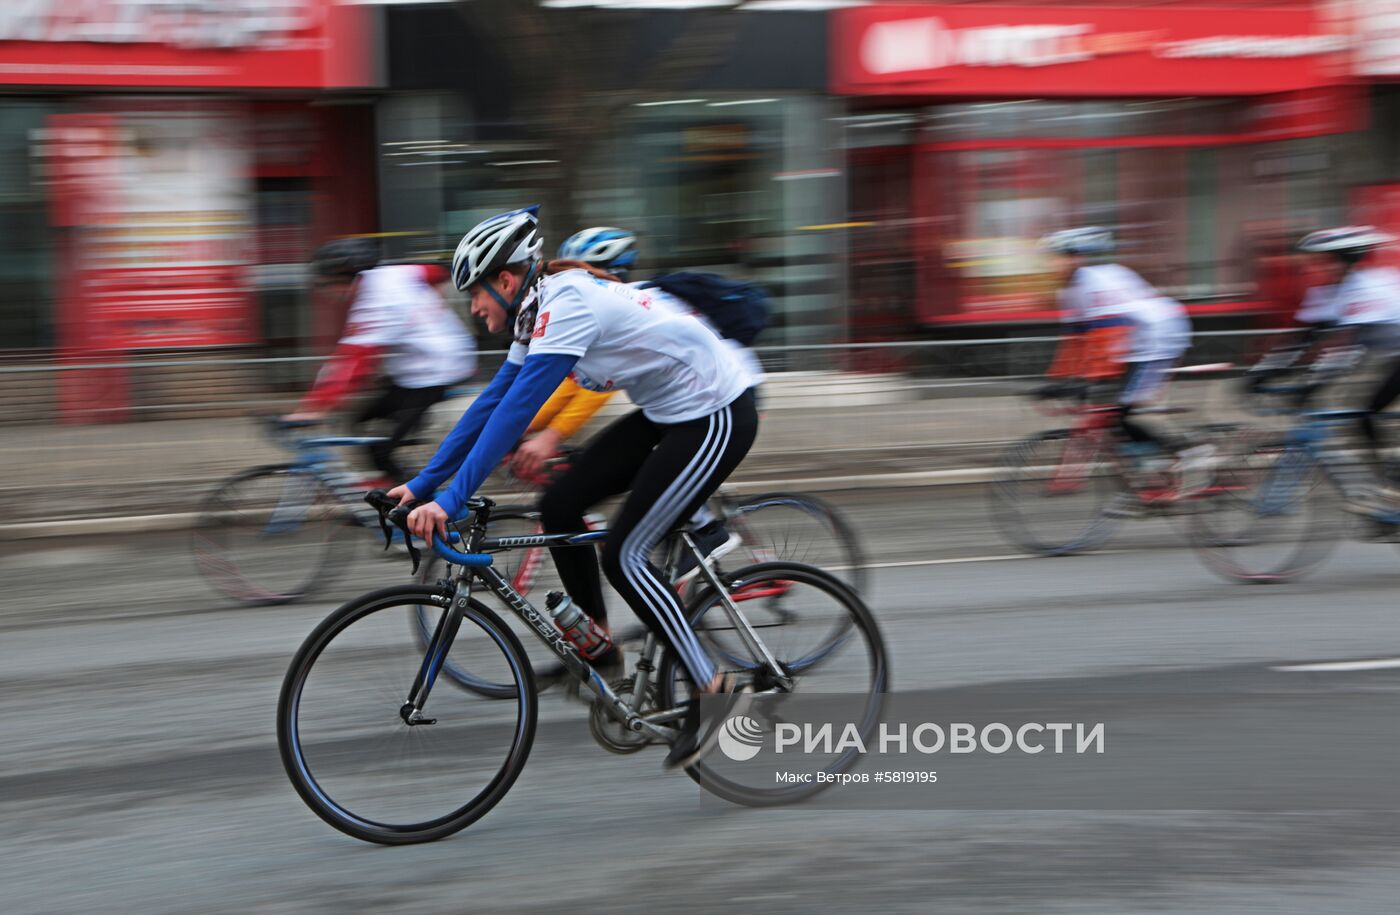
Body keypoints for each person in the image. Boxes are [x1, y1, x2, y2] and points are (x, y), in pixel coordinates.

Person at [387, 205, 759, 767]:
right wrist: (420, 486)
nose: (473, 307)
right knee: (560, 503)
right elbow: (489, 404)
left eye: (475, 293)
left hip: (717, 410)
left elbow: (515, 413)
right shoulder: (536, 312)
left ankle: (716, 691)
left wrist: (450, 500)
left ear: (506, 279)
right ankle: (600, 643)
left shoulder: (567, 303)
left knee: (626, 555)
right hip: (667, 412)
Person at [512, 226, 747, 582]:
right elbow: (566, 382)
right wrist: (526, 426)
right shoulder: (601, 302)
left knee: (637, 528)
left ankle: (705, 530)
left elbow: (593, 392)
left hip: (721, 398)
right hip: (670, 406)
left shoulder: (623, 303)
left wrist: (552, 435)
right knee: (603, 481)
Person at [1039, 227, 1213, 501]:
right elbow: (1073, 342)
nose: (1050, 264)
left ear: (1076, 257)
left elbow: (1107, 339)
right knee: (1113, 411)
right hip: (1134, 341)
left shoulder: (1096, 282)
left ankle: (1188, 453)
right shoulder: (1070, 290)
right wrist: (1055, 380)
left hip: (1158, 339)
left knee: (1118, 409)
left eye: (1056, 257)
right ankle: (1147, 465)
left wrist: (1088, 380)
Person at [284, 238, 476, 484]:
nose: (327, 293)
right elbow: (433, 271)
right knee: (360, 420)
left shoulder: (377, 302)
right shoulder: (389, 274)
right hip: (413, 369)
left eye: (328, 285)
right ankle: (392, 486)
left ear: (348, 277)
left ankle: (417, 500)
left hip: (435, 372)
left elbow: (353, 363)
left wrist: (312, 408)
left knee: (381, 448)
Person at [1286, 227, 1400, 514]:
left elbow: (1351, 349)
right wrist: (1265, 374)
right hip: (1393, 355)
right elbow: (1307, 336)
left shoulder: (1367, 287)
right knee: (1364, 415)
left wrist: (1315, 385)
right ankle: (1388, 488)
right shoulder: (1336, 290)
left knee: (1369, 411)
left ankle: (1394, 488)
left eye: (1327, 260)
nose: (1320, 267)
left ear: (1346, 260)